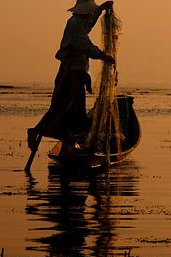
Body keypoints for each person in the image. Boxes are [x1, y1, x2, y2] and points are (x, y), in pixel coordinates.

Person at [27, 0, 115, 152]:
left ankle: (68, 143)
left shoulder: (81, 22)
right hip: (70, 73)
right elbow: (86, 46)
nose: (90, 14)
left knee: (77, 113)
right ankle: (35, 131)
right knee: (59, 107)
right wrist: (103, 56)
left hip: (78, 73)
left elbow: (89, 25)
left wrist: (100, 9)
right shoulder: (74, 24)